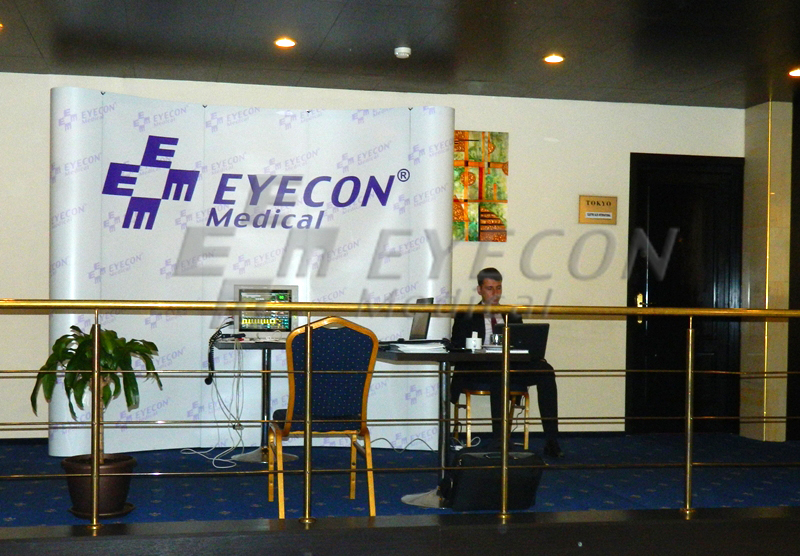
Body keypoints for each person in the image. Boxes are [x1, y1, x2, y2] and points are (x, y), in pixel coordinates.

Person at [450, 267, 563, 458]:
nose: (495, 293)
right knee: (498, 373)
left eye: (498, 288)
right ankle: (499, 440)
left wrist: (534, 355)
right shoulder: (466, 314)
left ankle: (552, 440)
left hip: (509, 364)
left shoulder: (512, 314)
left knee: (546, 371)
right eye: (489, 288)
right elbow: (457, 345)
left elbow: (523, 343)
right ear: (479, 290)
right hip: (479, 366)